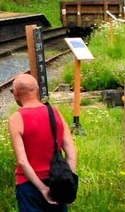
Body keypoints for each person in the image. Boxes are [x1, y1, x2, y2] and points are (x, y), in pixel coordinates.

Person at [9, 73, 77, 212]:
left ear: (16, 93)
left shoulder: (17, 119)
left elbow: (22, 161)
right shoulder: (55, 112)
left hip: (29, 186)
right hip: (57, 182)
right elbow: (71, 151)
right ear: (37, 90)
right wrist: (67, 182)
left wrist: (42, 189)